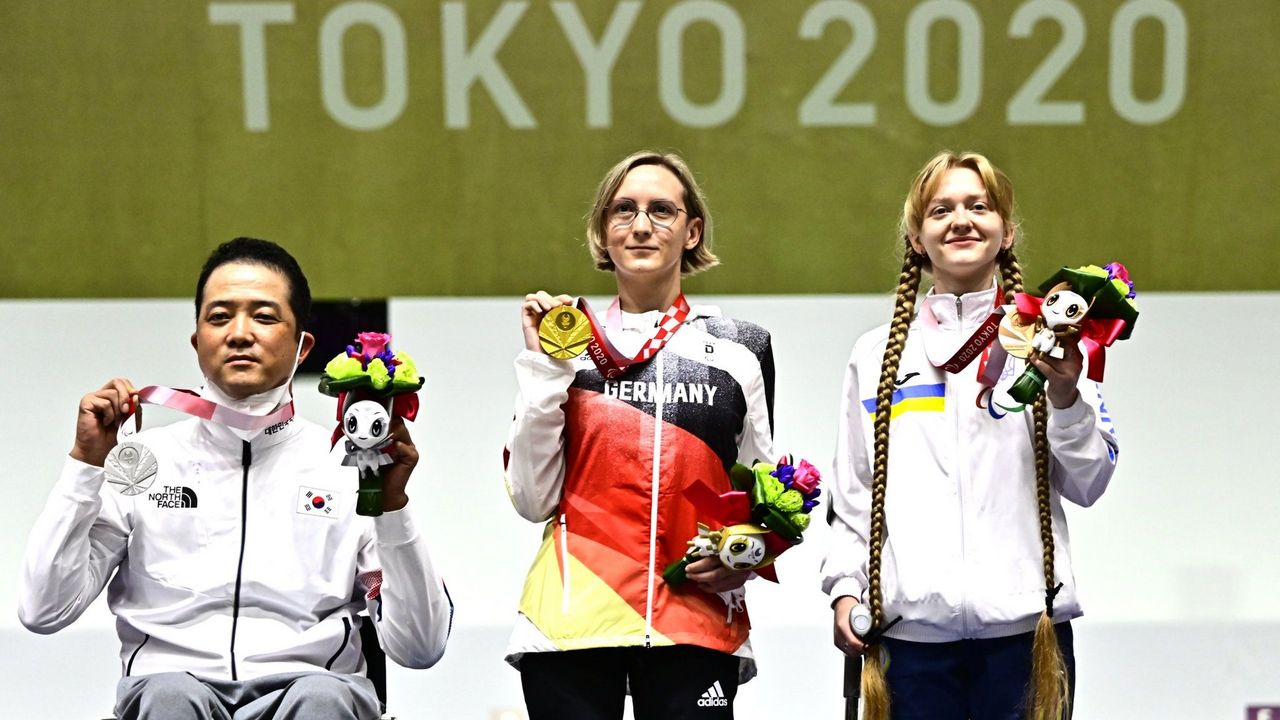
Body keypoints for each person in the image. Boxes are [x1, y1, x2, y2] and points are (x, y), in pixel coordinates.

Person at [17, 237, 452, 720]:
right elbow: (43, 611)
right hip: (171, 695)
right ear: (197, 340)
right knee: (169, 698)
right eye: (219, 317)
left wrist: (392, 507)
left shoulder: (346, 467)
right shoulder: (143, 461)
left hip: (313, 695)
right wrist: (85, 466)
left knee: (322, 699)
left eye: (264, 317)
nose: (240, 333)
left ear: (302, 344)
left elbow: (420, 648)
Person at [821, 152, 1119, 720]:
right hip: (909, 640)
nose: (960, 220)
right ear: (916, 237)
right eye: (941, 210)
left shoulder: (1051, 341)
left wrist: (1064, 396)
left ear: (1006, 233)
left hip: (1027, 636)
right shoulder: (875, 353)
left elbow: (1090, 482)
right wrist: (844, 588)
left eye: (978, 206)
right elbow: (854, 493)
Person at [503, 150, 775, 720]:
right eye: (623, 210)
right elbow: (532, 499)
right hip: (573, 619)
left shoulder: (740, 348)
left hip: (694, 617)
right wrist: (544, 367)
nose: (642, 225)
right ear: (603, 232)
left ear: (691, 230)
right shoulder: (567, 344)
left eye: (662, 210)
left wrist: (746, 556)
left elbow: (759, 492)